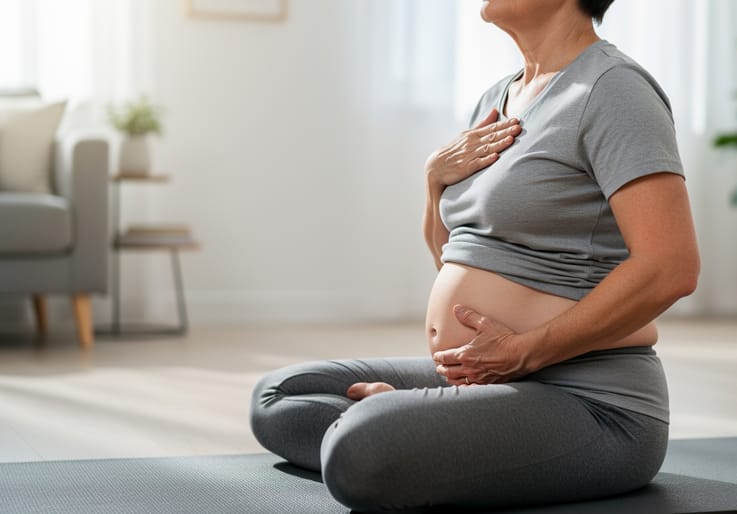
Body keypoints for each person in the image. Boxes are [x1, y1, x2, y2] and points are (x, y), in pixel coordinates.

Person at [249, 0, 700, 511]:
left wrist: (525, 351)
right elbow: (455, 259)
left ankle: (395, 431)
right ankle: (416, 431)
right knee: (279, 397)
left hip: (593, 402)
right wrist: (433, 179)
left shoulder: (613, 90)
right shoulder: (497, 99)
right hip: (477, 375)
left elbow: (671, 268)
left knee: (361, 448)